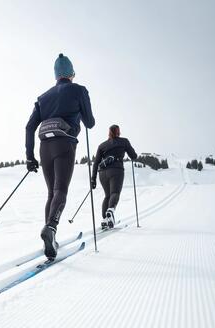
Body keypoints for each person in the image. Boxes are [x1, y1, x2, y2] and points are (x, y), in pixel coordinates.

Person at [25, 53, 95, 261]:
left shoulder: (42, 97)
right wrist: (79, 111)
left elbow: (29, 127)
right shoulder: (79, 90)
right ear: (71, 74)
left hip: (44, 147)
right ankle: (51, 228)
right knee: (60, 191)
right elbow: (90, 122)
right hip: (65, 144)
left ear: (56, 75)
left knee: (51, 193)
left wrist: (29, 157)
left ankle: (50, 236)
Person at [91, 125, 137, 229]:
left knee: (107, 195)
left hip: (102, 173)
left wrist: (93, 178)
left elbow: (96, 163)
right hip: (116, 170)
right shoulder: (124, 141)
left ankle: (105, 219)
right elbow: (133, 156)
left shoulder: (102, 145)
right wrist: (133, 155)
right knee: (115, 193)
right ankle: (110, 211)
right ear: (118, 132)